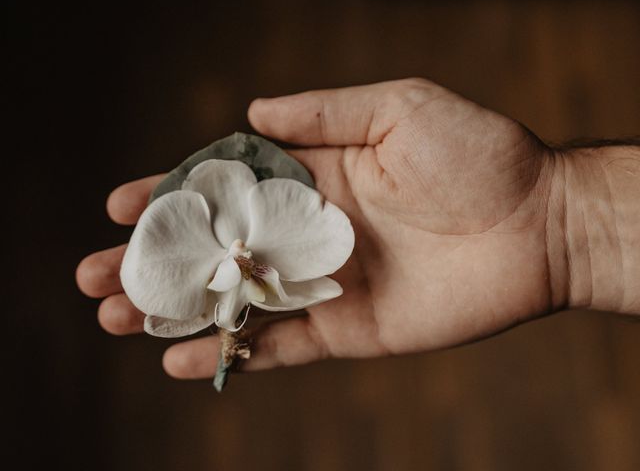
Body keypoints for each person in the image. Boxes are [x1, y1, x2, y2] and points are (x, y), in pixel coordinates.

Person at [76, 78, 640, 379]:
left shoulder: (262, 256)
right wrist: (562, 214)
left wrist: (558, 211)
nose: (245, 262)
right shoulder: (193, 261)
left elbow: (309, 246)